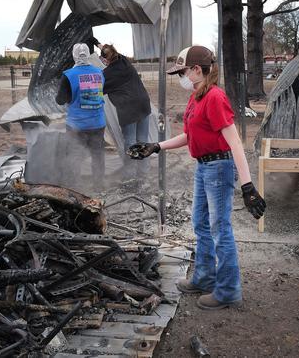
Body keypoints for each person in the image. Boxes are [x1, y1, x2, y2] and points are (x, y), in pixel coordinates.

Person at [128, 45, 266, 310]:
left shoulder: (215, 98)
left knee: (219, 228)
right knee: (200, 223)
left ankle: (228, 291)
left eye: (183, 71)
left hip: (219, 168)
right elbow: (191, 136)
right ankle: (205, 277)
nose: (180, 76)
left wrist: (248, 186)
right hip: (203, 167)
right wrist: (157, 147)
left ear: (197, 70)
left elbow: (235, 143)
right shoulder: (197, 96)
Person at [90, 38, 152, 180]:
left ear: (105, 61)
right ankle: (144, 173)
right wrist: (97, 43)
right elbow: (108, 50)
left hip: (128, 109)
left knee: (130, 143)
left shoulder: (107, 75)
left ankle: (130, 175)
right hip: (143, 104)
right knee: (142, 140)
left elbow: (94, 92)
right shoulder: (124, 61)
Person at [55, 43, 106, 190]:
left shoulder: (68, 75)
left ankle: (75, 188)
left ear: (74, 56)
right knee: (98, 156)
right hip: (98, 123)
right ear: (88, 54)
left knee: (74, 157)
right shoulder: (99, 72)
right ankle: (99, 186)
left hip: (77, 125)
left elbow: (60, 100)